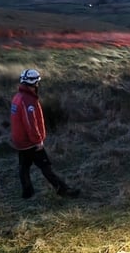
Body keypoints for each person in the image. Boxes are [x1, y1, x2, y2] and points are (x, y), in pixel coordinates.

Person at [10, 68, 79, 199]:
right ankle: (63, 190)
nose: (38, 84)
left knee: (24, 167)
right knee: (46, 167)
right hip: (30, 143)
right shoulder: (28, 101)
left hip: (20, 141)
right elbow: (30, 124)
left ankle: (27, 193)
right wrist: (37, 141)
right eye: (37, 82)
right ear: (34, 83)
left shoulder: (17, 97)